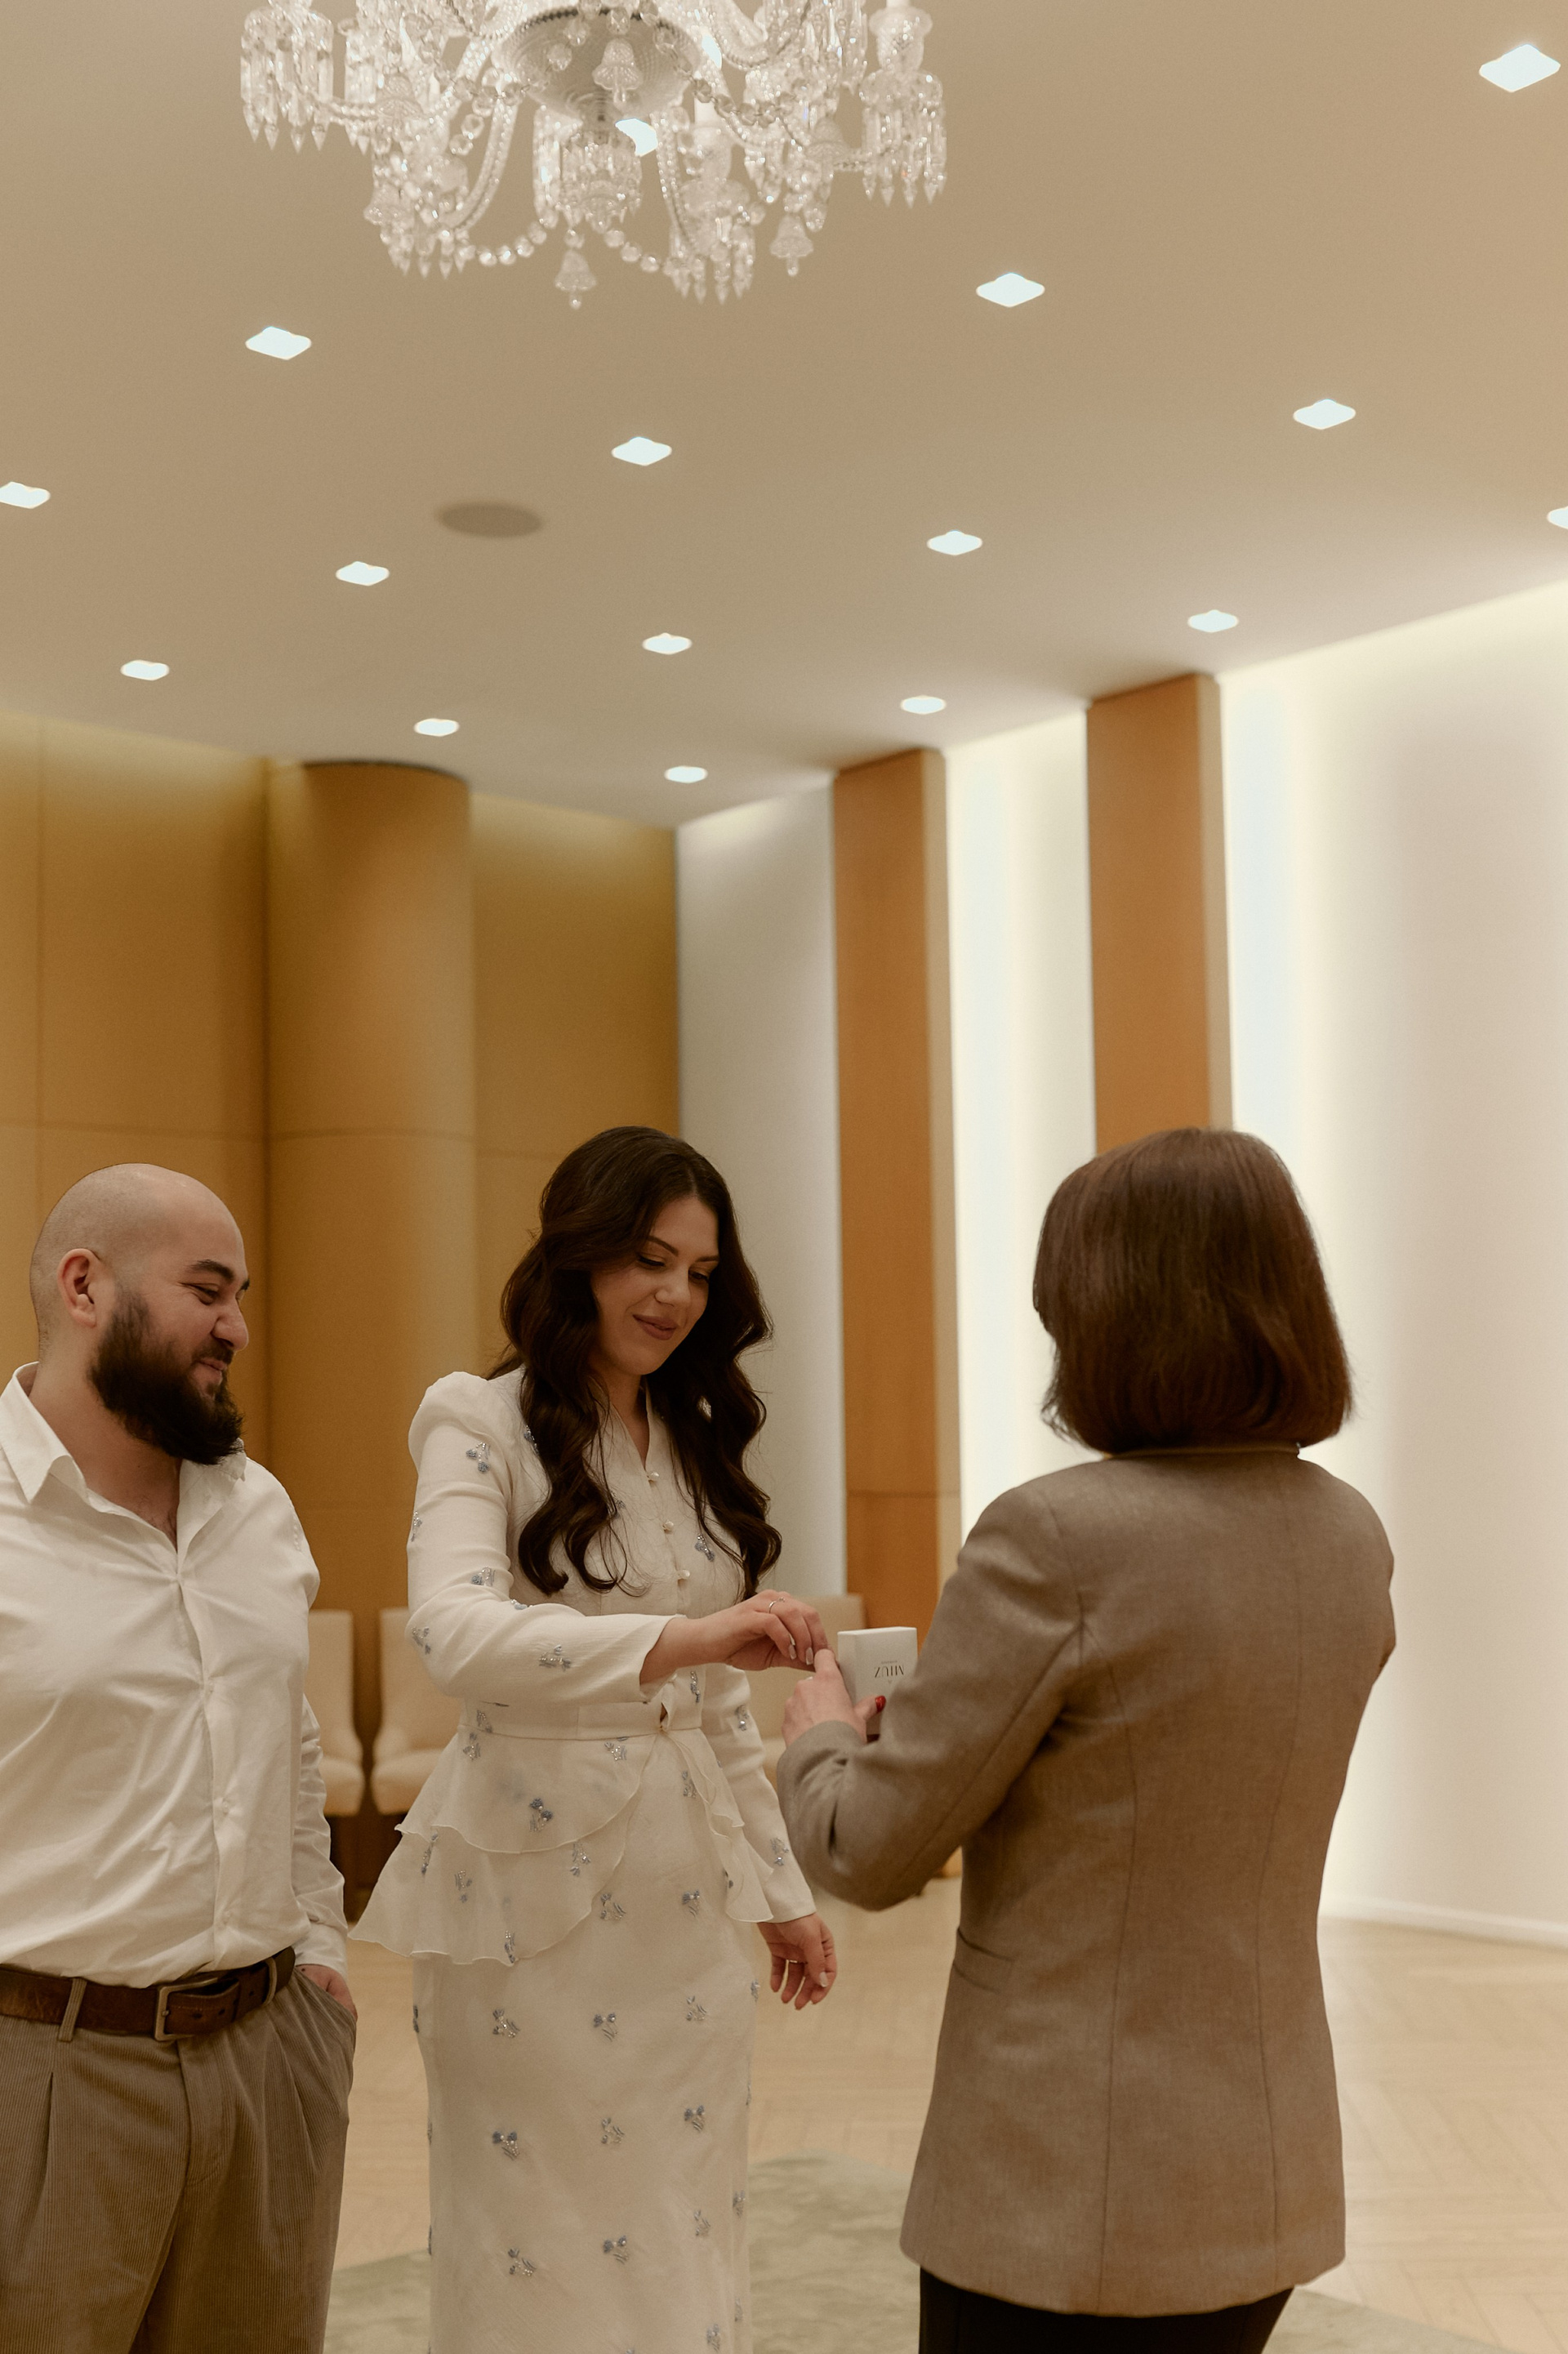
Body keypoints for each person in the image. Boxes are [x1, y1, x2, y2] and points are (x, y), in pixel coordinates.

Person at [779, 1127, 1396, 2354]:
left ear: (1115, 1317)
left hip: (1061, 2186)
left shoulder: (1056, 1538)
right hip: (1261, 2166)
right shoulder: (1350, 1534)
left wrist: (821, 1738)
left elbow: (867, 1850)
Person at [355, 1125, 836, 2352]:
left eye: (700, 1272)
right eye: (648, 1260)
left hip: (687, 1912)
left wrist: (781, 1890)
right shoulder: (478, 1416)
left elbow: (719, 1710)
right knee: (538, 2234)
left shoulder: (690, 1434)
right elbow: (455, 1633)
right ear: (579, 1256)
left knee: (685, 2216)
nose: (675, 1295)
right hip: (533, 1906)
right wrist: (685, 1637)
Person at [0, 1162, 355, 2354]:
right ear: (85, 1286)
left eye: (240, 1295)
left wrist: (320, 1946)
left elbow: (287, 1741)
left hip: (268, 2061)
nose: (237, 1328)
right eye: (208, 1291)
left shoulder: (260, 1511)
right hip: (43, 2076)